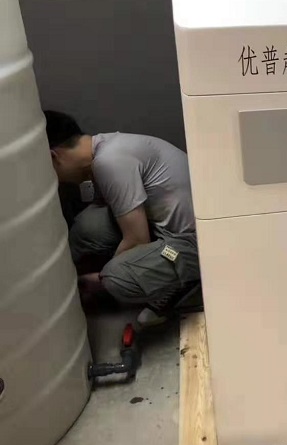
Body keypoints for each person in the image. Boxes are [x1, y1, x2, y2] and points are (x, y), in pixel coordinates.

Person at [44, 110, 200, 326]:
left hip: (194, 245)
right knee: (87, 226)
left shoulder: (110, 162)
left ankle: (190, 285)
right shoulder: (107, 146)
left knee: (116, 277)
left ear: (53, 156)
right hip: (165, 228)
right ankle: (157, 273)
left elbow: (137, 240)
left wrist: (98, 280)